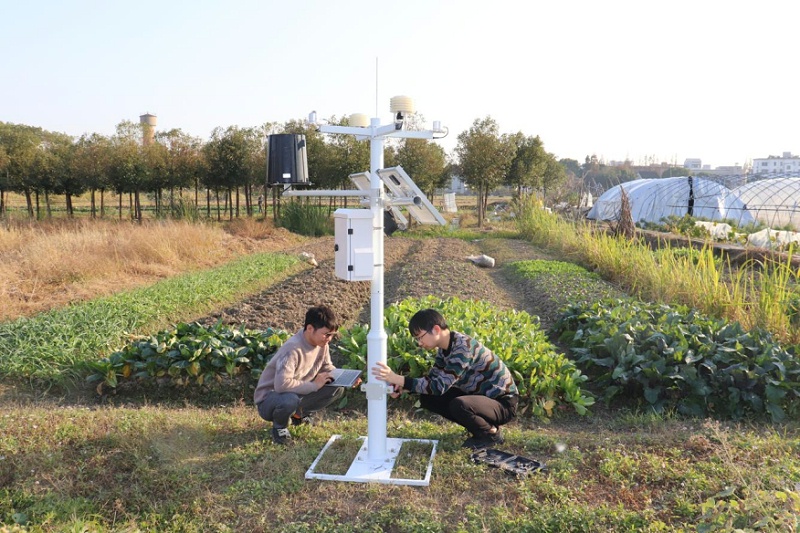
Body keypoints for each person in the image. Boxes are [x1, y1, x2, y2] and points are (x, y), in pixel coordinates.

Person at [372, 308, 518, 449]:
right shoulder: (445, 348)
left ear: (435, 329)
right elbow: (433, 380)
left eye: (420, 337)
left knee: (459, 405)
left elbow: (438, 386)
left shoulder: (463, 348)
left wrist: (397, 378)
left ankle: (490, 434)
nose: (419, 343)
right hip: (482, 399)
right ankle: (479, 427)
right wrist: (404, 387)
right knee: (428, 398)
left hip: (503, 403)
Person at [254, 305, 355, 444]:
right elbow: (281, 385)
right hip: (270, 400)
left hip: (296, 392)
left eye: (331, 335)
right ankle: (280, 428)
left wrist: (346, 378)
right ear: (310, 328)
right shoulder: (292, 349)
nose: (329, 339)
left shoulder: (321, 344)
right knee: (289, 399)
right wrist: (314, 385)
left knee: (337, 387)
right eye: (326, 334)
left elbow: (326, 367)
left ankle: (298, 414)